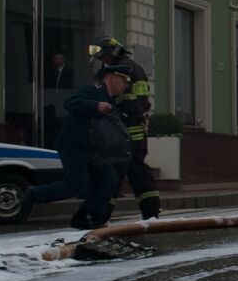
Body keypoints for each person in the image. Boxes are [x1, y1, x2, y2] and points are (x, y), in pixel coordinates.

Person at [27, 64, 134, 229]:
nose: (126, 85)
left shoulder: (109, 98)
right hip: (74, 145)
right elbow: (70, 103)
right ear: (112, 77)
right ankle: (33, 194)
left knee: (108, 179)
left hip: (95, 150)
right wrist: (95, 105)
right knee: (76, 185)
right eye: (125, 80)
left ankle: (88, 216)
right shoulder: (92, 90)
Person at [89, 37, 161, 220]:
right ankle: (151, 213)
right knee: (134, 172)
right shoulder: (111, 71)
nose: (103, 61)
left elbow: (139, 103)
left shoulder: (131, 70)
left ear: (112, 53)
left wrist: (116, 105)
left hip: (129, 131)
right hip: (123, 132)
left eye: (104, 56)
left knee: (116, 172)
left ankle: (101, 215)